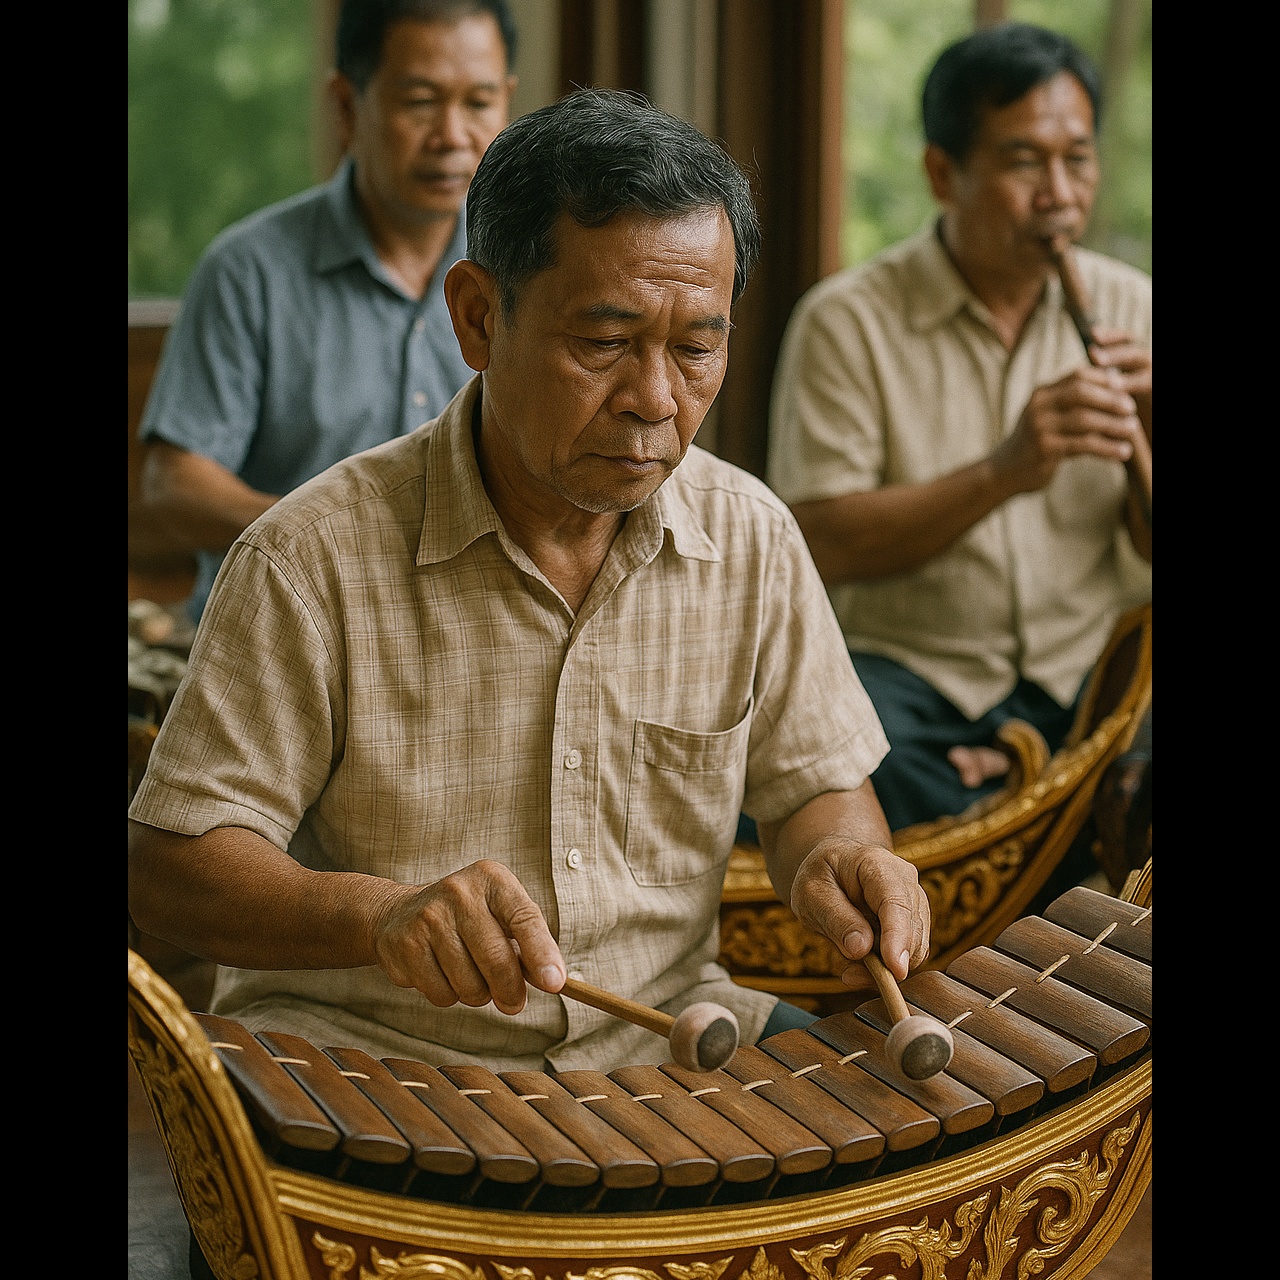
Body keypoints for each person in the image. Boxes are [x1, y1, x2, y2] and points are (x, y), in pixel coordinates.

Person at [127, 88, 932, 1077]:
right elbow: (168, 871)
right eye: (602, 341)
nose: (653, 399)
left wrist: (839, 856)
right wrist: (379, 915)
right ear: (475, 316)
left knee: (892, 1132)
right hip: (373, 1062)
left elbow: (820, 789)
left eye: (695, 346)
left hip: (667, 1041)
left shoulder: (750, 538)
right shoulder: (308, 558)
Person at [766, 22, 1152, 834]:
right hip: (915, 681)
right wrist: (1003, 471)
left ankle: (1025, 789)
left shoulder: (1134, 309)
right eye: (1023, 161)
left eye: (1077, 159)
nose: (1060, 193)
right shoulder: (847, 320)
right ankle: (1021, 792)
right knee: (823, 768)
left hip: (1096, 676)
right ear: (943, 173)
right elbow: (821, 541)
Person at [135, 0, 519, 624]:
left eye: (478, 104)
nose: (453, 135)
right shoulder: (249, 269)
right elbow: (173, 485)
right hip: (276, 628)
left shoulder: (528, 272)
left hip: (465, 635)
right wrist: (336, 536)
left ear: (507, 100)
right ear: (346, 107)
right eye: (420, 102)